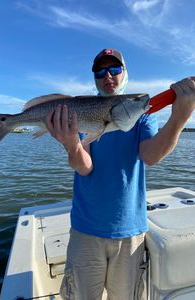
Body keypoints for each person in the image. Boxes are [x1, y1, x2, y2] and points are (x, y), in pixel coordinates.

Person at [45, 48, 195, 300]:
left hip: (131, 232)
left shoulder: (143, 116)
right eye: (101, 71)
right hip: (86, 229)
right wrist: (71, 143)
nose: (108, 76)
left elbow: (150, 156)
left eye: (115, 69)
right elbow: (84, 167)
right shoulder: (80, 113)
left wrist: (180, 116)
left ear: (125, 73)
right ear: (95, 77)